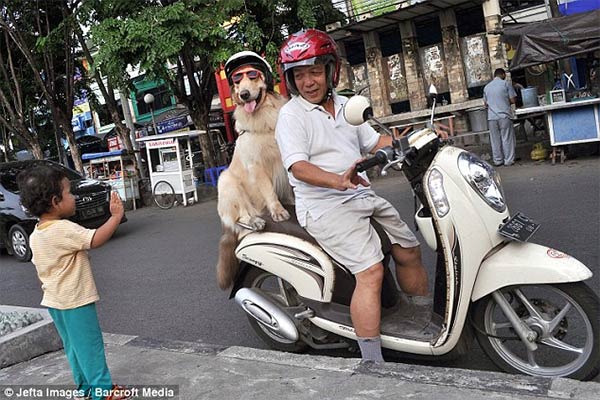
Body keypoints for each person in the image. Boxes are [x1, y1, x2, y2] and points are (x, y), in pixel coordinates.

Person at [275, 29, 429, 362]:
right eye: (299, 75)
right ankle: (372, 360)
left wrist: (419, 140)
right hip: (324, 206)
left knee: (409, 250)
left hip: (359, 196)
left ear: (332, 70)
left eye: (315, 71)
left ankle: (420, 320)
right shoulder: (291, 116)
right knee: (371, 271)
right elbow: (297, 167)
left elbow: (376, 143)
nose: (308, 82)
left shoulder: (347, 106)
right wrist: (336, 181)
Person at [17, 165, 130, 400]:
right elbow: (94, 239)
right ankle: (103, 391)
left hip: (55, 302)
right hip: (76, 300)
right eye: (69, 193)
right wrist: (116, 216)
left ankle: (85, 388)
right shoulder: (63, 229)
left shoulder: (36, 234)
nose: (74, 197)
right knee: (90, 347)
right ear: (55, 201)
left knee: (73, 347)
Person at [483, 68, 517, 166]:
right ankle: (508, 160)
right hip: (504, 115)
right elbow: (513, 100)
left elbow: (485, 104)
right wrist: (505, 101)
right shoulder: (506, 84)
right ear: (502, 74)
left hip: (492, 117)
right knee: (506, 138)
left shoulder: (486, 87)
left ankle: (498, 161)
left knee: (495, 140)